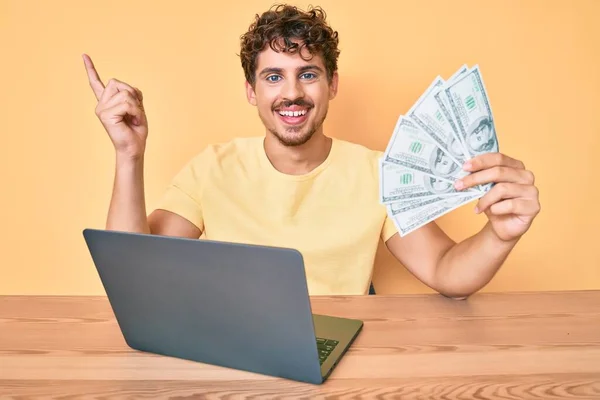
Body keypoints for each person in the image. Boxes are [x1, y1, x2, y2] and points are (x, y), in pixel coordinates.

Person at [82, 4, 540, 298]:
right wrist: (129, 154)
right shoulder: (211, 168)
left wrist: (501, 235)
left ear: (332, 84)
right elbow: (132, 274)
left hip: (343, 354)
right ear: (251, 91)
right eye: (274, 76)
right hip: (239, 352)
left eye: (308, 73)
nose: (292, 93)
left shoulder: (378, 173)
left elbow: (445, 271)